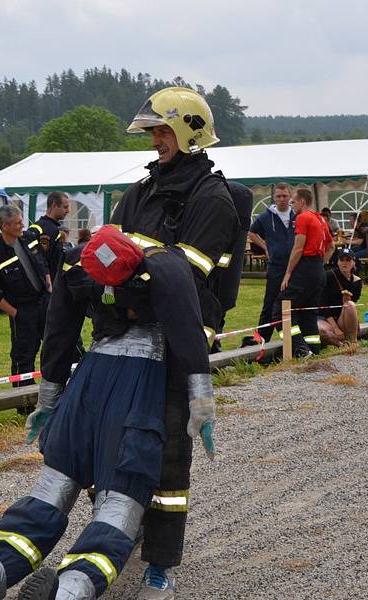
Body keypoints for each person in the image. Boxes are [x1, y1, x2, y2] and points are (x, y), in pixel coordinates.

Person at [0, 227, 216, 600]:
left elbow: (59, 330)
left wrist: (49, 399)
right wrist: (202, 403)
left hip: (87, 386)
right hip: (136, 393)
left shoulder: (76, 262)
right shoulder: (168, 269)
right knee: (116, 507)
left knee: (46, 496)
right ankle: (66, 593)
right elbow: (190, 336)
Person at [110, 86, 239, 598]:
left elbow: (186, 273)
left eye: (164, 131)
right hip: (127, 329)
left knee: (167, 451)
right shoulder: (140, 191)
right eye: (154, 132)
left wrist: (130, 275)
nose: (156, 140)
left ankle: (161, 562)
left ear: (190, 132)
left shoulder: (213, 199)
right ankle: (121, 526)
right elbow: (110, 250)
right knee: (116, 437)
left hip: (177, 337)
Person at [0, 205, 50, 387]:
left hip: (43, 302)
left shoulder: (29, 238)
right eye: (18, 223)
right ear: (5, 226)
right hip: (22, 309)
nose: (22, 226)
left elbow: (43, 262)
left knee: (54, 345)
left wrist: (49, 285)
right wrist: (16, 313)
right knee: (24, 355)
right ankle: (23, 402)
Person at [272, 188, 334, 358]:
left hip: (306, 268)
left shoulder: (302, 218)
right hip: (318, 270)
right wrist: (320, 265)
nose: (291, 205)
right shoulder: (320, 219)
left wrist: (288, 273)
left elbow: (298, 248)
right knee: (308, 312)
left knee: (280, 310)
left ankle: (301, 349)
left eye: (293, 202)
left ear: (302, 202)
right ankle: (314, 350)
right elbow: (331, 246)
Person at [247, 183, 296, 342]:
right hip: (276, 265)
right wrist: (266, 246)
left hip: (296, 265)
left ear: (290, 197)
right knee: (270, 301)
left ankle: (295, 337)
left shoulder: (297, 215)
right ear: (274, 197)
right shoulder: (266, 216)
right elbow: (252, 232)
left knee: (295, 301)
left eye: (285, 196)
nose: (282, 199)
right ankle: (261, 338)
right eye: (278, 196)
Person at [318, 247, 362, 346]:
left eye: (348, 260)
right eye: (341, 260)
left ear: (354, 263)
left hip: (342, 317)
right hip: (325, 317)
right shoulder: (328, 276)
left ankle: (353, 342)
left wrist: (345, 302)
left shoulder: (357, 281)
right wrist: (335, 328)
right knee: (321, 330)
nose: (344, 263)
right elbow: (323, 305)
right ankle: (341, 345)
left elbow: (353, 304)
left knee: (350, 304)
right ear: (337, 262)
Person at [24, 191, 70, 280]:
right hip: (48, 283)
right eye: (65, 207)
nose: (68, 211)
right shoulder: (51, 230)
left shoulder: (36, 226)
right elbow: (46, 260)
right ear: (54, 205)